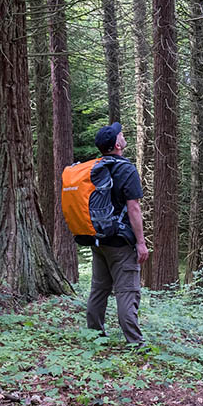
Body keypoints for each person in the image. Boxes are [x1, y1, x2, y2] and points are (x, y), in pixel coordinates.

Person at [85, 122, 149, 346]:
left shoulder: (95, 167)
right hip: (121, 243)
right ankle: (135, 343)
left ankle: (94, 335)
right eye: (120, 134)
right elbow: (134, 208)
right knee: (127, 291)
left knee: (99, 289)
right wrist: (141, 243)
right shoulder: (126, 169)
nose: (123, 135)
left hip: (98, 238)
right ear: (117, 144)